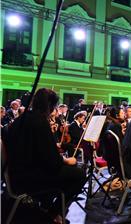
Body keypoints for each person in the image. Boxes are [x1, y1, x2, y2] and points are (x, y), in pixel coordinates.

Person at [5, 88, 86, 224]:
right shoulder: (40, 122)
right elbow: (52, 162)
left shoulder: (21, 119)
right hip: (29, 178)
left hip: (15, 174)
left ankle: (45, 205)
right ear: (49, 106)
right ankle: (53, 213)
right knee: (79, 174)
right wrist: (67, 160)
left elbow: (33, 148)